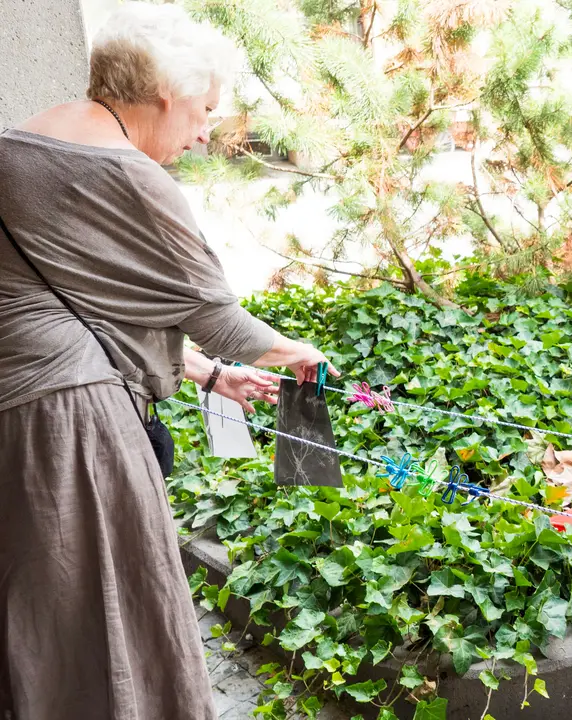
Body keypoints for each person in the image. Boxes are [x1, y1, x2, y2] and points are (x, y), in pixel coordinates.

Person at [0, 4, 336, 718]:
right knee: (110, 609)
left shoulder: (17, 146)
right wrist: (296, 352)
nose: (207, 131)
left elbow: (75, 310)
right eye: (204, 110)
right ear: (163, 95)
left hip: (18, 418)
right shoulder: (131, 177)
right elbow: (216, 319)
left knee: (41, 615)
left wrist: (211, 377)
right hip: (73, 432)